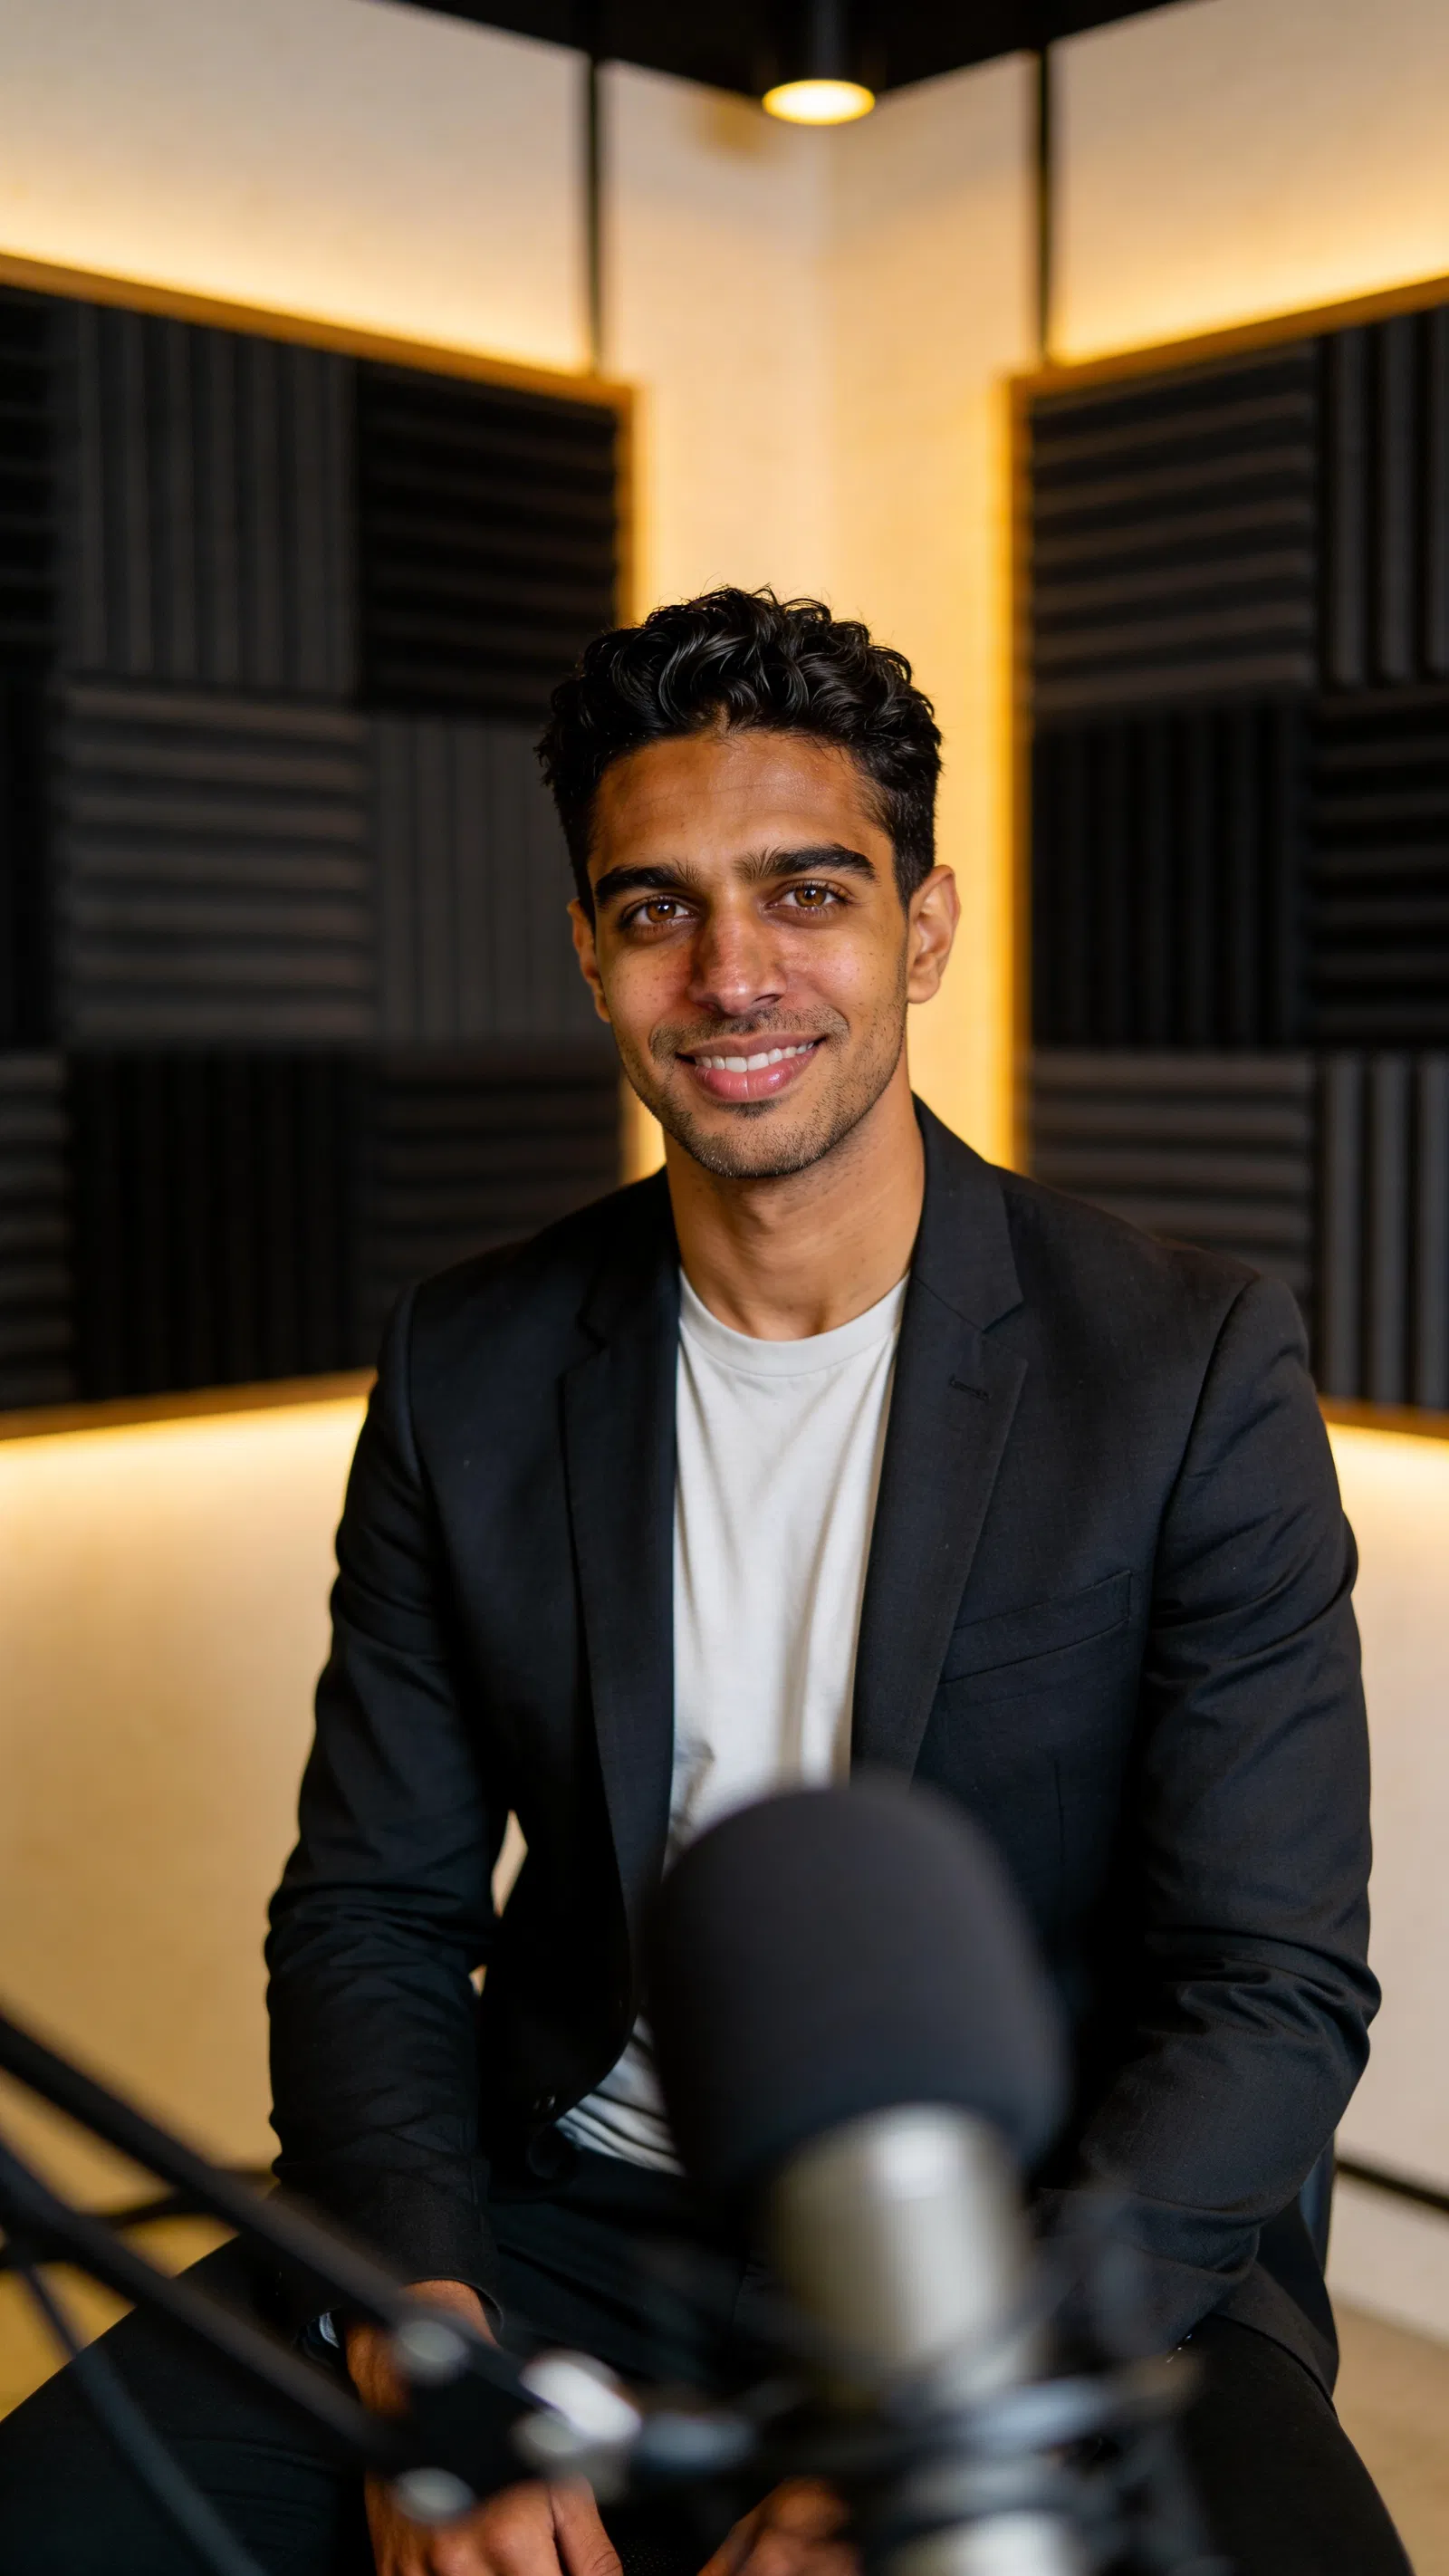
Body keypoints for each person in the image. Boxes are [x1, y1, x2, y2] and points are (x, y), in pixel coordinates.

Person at [0, 591, 1408, 2576]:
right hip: (569, 2218)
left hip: (1013, 2245)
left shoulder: (1183, 1366)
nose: (730, 972)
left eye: (804, 892)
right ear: (588, 955)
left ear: (921, 927)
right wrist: (432, 2354)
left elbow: (1267, 1990)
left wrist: (943, 2414)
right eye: (655, 908)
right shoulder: (467, 1362)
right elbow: (372, 1917)